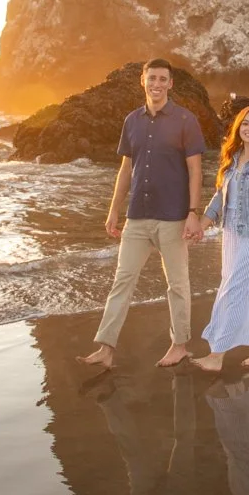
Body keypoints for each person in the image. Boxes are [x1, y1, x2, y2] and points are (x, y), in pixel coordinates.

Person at [78, 58, 207, 369]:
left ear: (171, 83)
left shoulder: (186, 120)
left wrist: (193, 212)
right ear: (143, 81)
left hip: (173, 216)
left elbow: (195, 170)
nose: (157, 84)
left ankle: (179, 345)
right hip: (137, 215)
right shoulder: (131, 121)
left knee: (177, 282)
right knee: (123, 280)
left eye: (163, 79)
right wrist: (113, 210)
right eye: (152, 79)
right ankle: (106, 348)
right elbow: (126, 169)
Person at [191, 105, 249, 372]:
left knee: (233, 289)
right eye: (246, 123)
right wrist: (201, 225)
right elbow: (219, 199)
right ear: (238, 128)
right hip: (231, 233)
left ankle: (217, 354)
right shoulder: (232, 159)